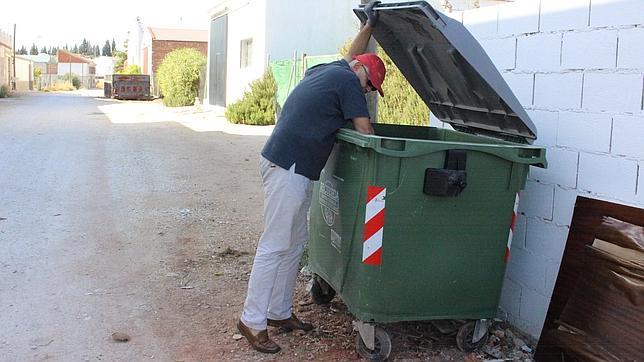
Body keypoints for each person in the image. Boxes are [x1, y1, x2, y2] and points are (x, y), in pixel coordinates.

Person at [237, 0, 386, 354]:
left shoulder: (328, 70)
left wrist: (369, 26)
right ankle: (250, 320)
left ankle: (277, 311)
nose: (366, 93)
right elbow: (364, 130)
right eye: (370, 87)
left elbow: (354, 55)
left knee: (295, 238)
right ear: (362, 75)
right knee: (275, 244)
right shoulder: (349, 83)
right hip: (288, 168)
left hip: (290, 166)